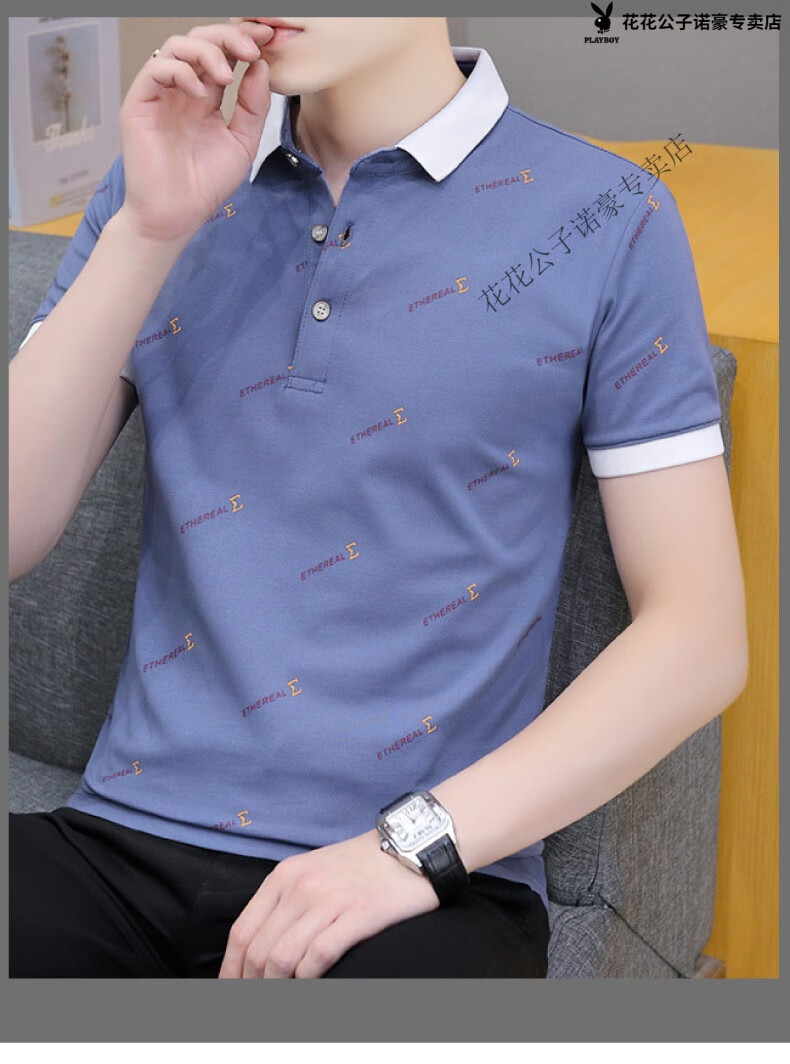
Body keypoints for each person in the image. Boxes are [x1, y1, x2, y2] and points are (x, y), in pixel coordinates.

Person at [8, 16, 748, 979]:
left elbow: (698, 636)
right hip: (117, 842)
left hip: (426, 886)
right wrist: (148, 229)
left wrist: (413, 847)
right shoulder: (157, 183)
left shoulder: (611, 216)